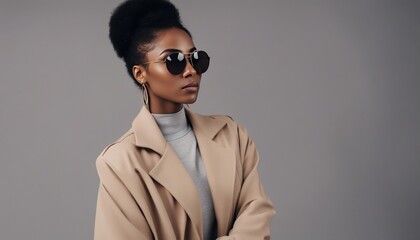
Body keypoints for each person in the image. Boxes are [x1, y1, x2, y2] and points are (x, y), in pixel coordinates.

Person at [93, 0, 276, 239]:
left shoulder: (232, 135)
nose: (191, 70)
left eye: (196, 58)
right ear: (140, 73)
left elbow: (257, 210)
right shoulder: (120, 163)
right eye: (174, 61)